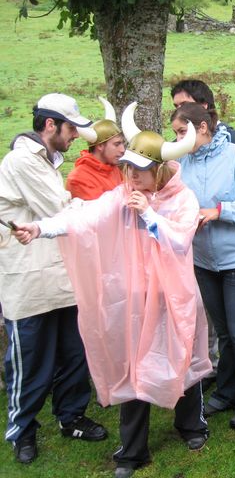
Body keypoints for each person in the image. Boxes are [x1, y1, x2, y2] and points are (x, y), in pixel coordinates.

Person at [13, 102, 212, 478]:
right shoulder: (122, 195)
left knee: (182, 358)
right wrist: (40, 229)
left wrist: (149, 215)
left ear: (157, 170)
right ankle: (132, 451)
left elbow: (181, 242)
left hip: (174, 297)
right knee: (135, 365)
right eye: (127, 171)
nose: (130, 180)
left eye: (139, 173)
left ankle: (192, 425)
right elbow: (82, 217)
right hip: (136, 297)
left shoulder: (182, 198)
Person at [0, 93, 107, 465]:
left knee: (73, 354)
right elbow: (59, 209)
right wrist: (105, 204)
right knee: (31, 360)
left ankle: (72, 416)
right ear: (50, 125)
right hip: (28, 282)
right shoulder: (21, 162)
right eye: (71, 128)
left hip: (61, 277)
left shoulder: (48, 160)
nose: (76, 135)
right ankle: (23, 429)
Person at [171, 102, 235, 429]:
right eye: (174, 133)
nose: (177, 139)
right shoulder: (181, 164)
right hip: (203, 261)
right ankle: (227, 391)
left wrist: (220, 211)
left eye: (181, 132)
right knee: (224, 332)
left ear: (202, 127)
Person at [171, 79, 235, 152]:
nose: (179, 110)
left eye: (185, 104)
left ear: (203, 105)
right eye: (176, 106)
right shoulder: (177, 146)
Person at [67, 97, 125, 199]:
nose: (122, 150)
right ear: (100, 146)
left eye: (122, 144)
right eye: (117, 144)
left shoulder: (113, 168)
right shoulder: (79, 179)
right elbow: (98, 213)